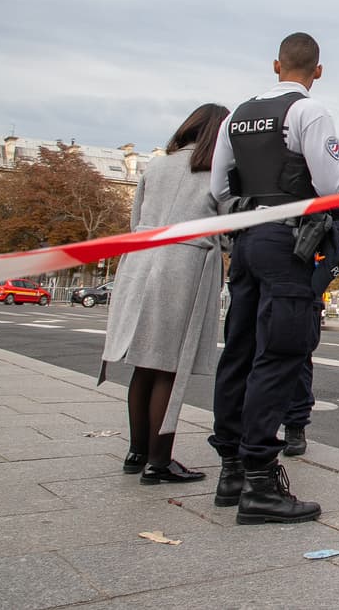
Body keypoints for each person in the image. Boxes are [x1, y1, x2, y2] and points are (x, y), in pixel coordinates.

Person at [208, 32, 339, 525]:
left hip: (246, 241)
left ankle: (230, 471)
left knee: (239, 352)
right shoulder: (309, 112)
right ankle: (261, 482)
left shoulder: (235, 116)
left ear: (276, 65)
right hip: (288, 244)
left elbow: (218, 188)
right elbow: (331, 186)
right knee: (281, 354)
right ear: (318, 70)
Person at [100, 103, 231, 484]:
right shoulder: (216, 172)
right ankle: (159, 461)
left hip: (140, 262)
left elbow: (136, 218)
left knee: (143, 363)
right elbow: (229, 228)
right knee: (168, 366)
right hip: (183, 267)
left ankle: (136, 452)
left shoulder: (156, 166)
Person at [282, 184, 339, 458]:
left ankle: (294, 425)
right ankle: (244, 433)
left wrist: (316, 230)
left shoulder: (334, 180)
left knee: (299, 353)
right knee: (247, 350)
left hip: (305, 267)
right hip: (267, 261)